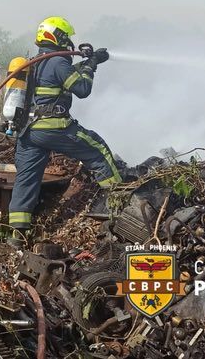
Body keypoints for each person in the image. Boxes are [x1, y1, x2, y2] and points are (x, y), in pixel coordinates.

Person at [7, 16, 122, 248]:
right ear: (57, 36)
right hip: (54, 127)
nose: (68, 40)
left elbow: (63, 77)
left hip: (28, 133)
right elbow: (82, 88)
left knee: (26, 180)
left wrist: (93, 61)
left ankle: (17, 236)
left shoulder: (36, 61)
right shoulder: (58, 61)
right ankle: (119, 202)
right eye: (66, 36)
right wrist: (90, 68)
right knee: (98, 151)